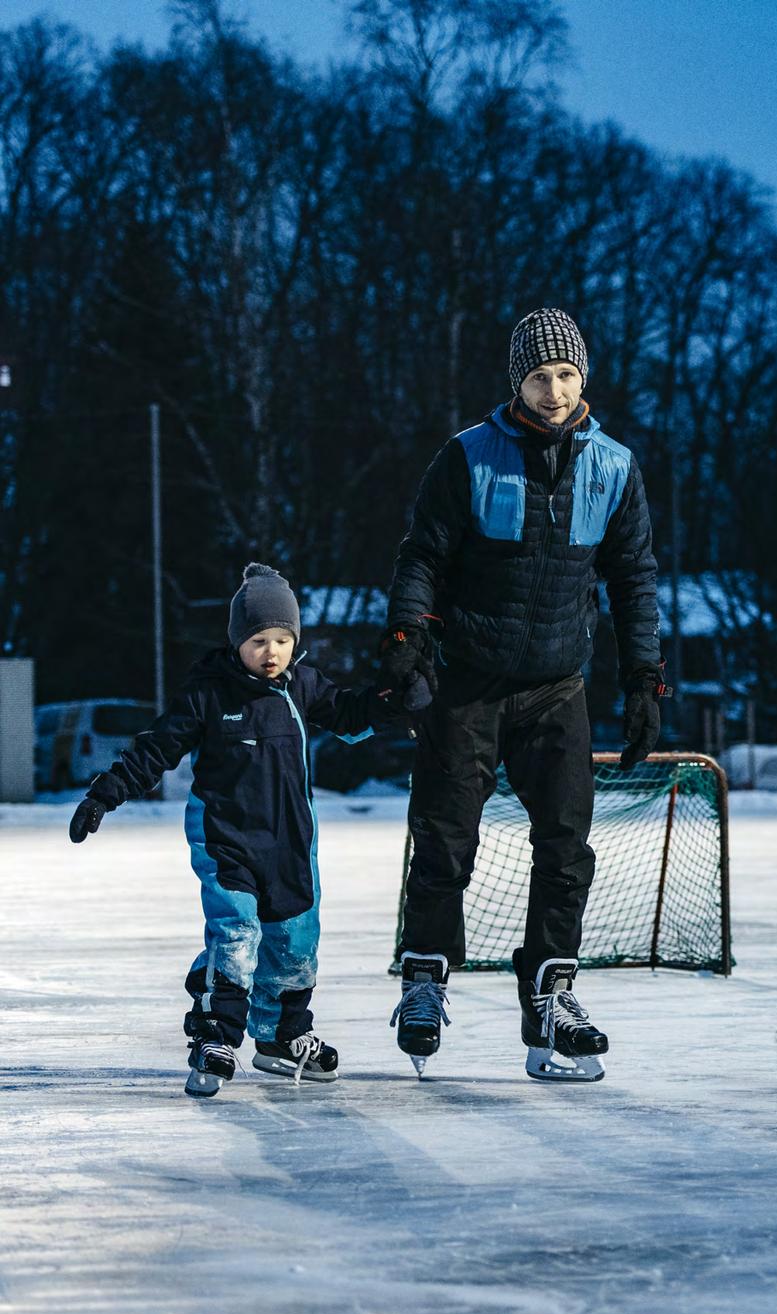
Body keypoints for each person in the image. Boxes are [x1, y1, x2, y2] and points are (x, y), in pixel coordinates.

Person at [379, 307, 667, 1082]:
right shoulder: (468, 457)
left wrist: (644, 676)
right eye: (539, 376)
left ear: (585, 379)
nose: (552, 390)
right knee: (443, 840)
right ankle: (425, 980)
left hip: (555, 686)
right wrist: (408, 636)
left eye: (566, 375)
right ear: (518, 381)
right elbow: (422, 556)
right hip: (469, 684)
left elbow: (634, 579)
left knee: (567, 848)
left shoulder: (613, 466)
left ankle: (550, 993)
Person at [69, 562, 419, 1097]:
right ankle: (215, 1035)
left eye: (282, 639)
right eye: (259, 640)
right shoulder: (210, 692)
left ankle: (280, 1037)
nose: (272, 652)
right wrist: (105, 793)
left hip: (292, 842)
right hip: (227, 839)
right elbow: (157, 747)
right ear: (238, 641)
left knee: (295, 943)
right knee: (236, 936)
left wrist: (391, 703)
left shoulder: (301, 685)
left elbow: (348, 716)